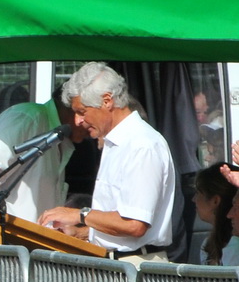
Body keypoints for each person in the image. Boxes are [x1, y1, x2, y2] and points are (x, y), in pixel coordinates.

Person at [41, 62, 178, 260]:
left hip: (137, 266)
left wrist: (79, 215)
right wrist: (79, 233)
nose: (78, 121)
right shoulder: (116, 143)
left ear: (107, 101)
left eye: (82, 111)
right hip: (116, 264)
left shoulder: (142, 144)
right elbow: (118, 224)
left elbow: (134, 224)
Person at [0, 98, 81, 223]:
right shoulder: (27, 116)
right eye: (84, 112)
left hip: (26, 238)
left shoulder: (63, 140)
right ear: (73, 107)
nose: (86, 122)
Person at [190, 165, 238, 265]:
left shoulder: (235, 244)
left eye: (198, 193)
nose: (194, 199)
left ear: (215, 201)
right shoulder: (208, 244)